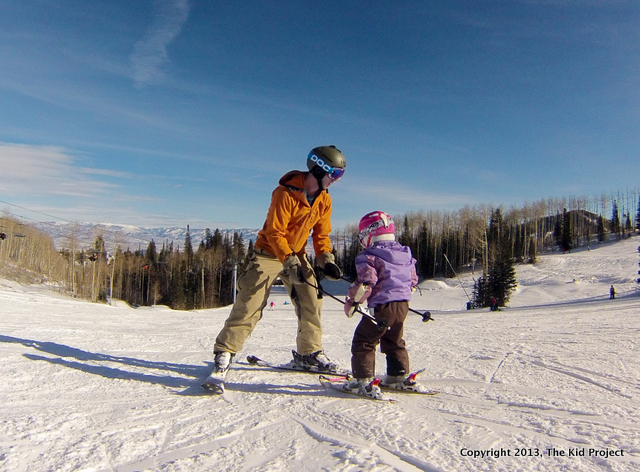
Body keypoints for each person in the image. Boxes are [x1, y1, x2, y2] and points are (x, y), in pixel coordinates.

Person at [210, 145, 347, 382]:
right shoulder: (285, 193)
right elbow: (275, 233)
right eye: (334, 174)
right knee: (250, 300)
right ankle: (226, 351)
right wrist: (289, 261)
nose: (336, 180)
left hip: (296, 254)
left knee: (311, 299)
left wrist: (327, 259)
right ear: (318, 169)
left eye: (339, 175)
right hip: (269, 252)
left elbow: (321, 236)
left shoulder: (324, 200)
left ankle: (309, 353)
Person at [342, 211, 428, 398]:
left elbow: (367, 283)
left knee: (364, 341)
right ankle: (398, 375)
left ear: (369, 235)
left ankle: (362, 380)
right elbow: (412, 280)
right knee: (394, 340)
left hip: (381, 308)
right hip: (402, 305)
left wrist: (353, 302)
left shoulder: (370, 255)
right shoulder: (404, 253)